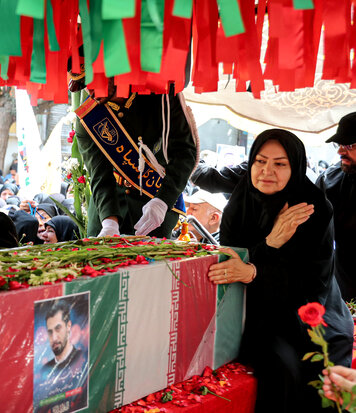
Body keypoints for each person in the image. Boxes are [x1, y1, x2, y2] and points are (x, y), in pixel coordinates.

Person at [207, 129, 353, 412]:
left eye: (280, 164)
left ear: (295, 166)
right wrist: (270, 244)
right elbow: (231, 262)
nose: (266, 171)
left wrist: (252, 271)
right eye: (260, 161)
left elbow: (311, 284)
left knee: (291, 371)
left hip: (308, 316)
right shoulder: (239, 203)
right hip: (251, 312)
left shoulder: (313, 209)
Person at [71, 68, 197, 238]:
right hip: (106, 207)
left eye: (94, 81)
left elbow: (185, 152)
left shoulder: (161, 95)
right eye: (85, 84)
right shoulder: (89, 116)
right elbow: (99, 173)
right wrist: (109, 222)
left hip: (153, 203)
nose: (89, 90)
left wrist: (162, 201)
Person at [316, 112, 356, 300]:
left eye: (348, 145)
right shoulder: (329, 180)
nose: (340, 151)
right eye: (338, 144)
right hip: (343, 292)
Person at [36, 300, 88, 413]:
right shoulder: (45, 369)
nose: (54, 337)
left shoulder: (83, 360)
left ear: (68, 326)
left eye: (58, 328)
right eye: (50, 332)